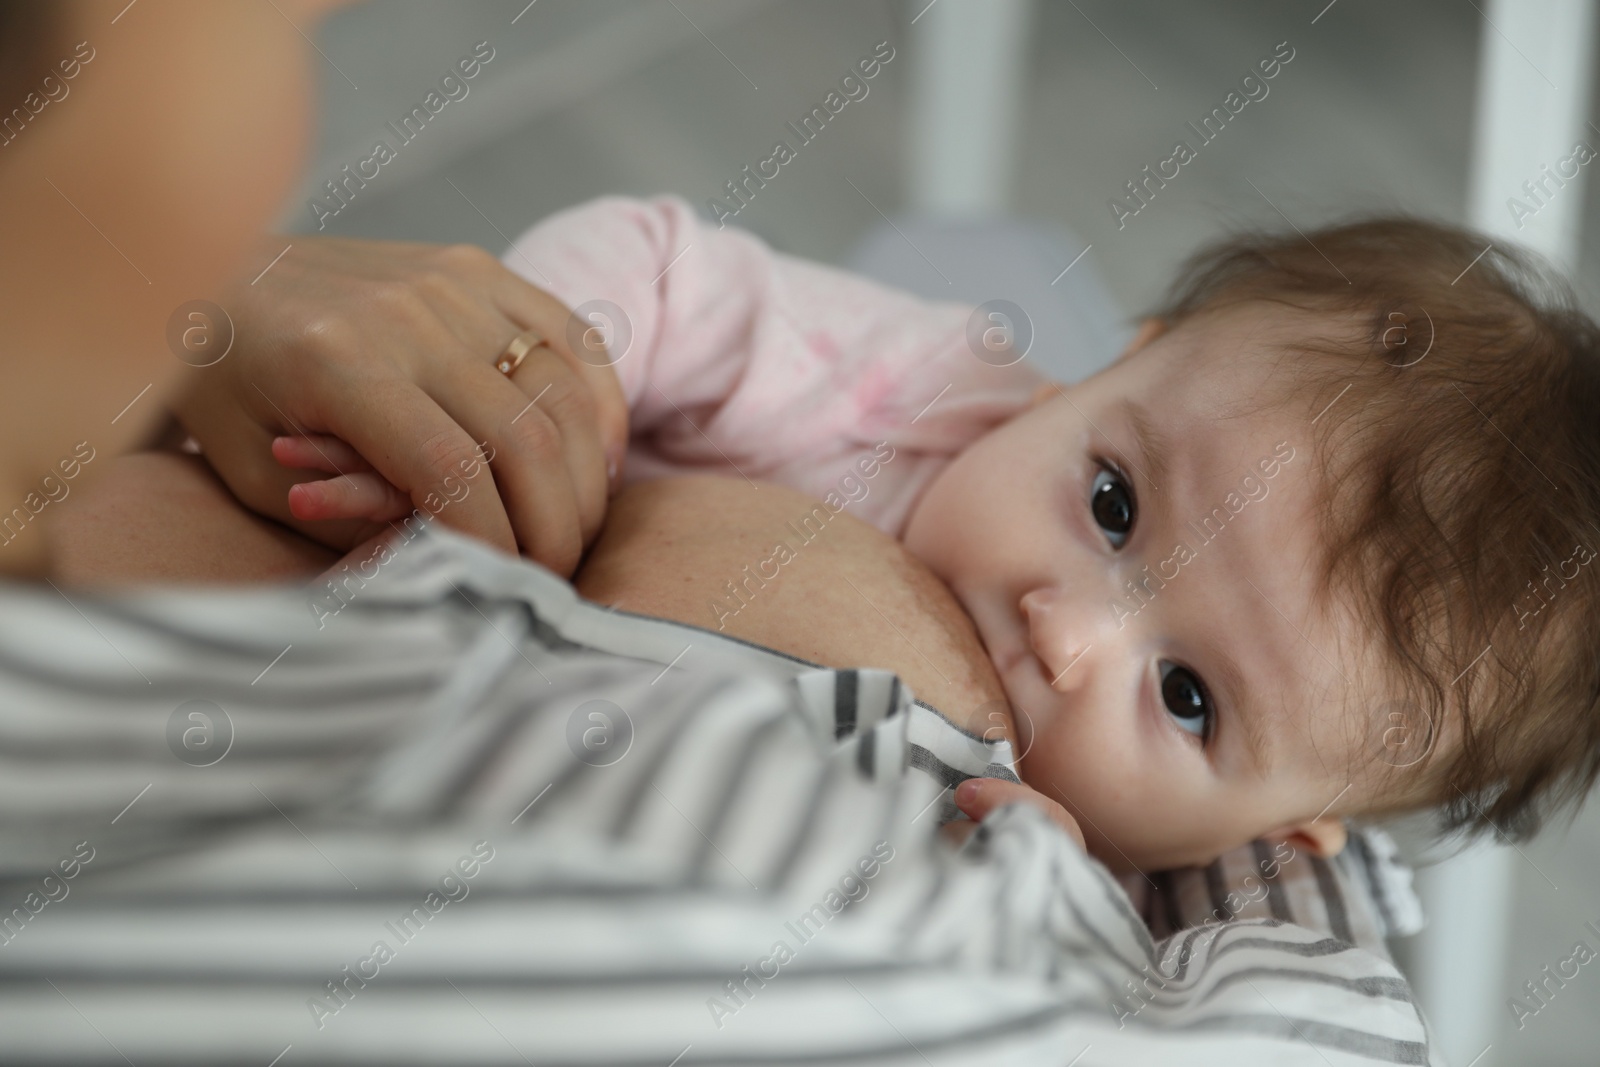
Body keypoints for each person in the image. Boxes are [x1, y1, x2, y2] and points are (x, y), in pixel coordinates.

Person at [56, 188, 1600, 875]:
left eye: (1186, 697)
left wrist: (1045, 883)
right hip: (401, 578)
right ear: (1111, 362)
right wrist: (543, 395)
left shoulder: (1124, 875)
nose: (1068, 631)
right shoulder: (910, 386)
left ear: (1277, 837)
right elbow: (663, 264)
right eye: (1115, 505)